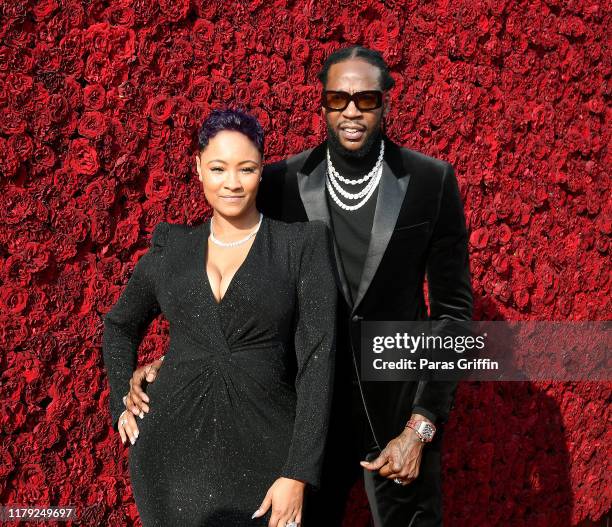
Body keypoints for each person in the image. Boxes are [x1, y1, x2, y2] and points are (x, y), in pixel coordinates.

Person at [125, 46, 473, 526]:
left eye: (366, 98)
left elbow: (454, 316)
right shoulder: (278, 180)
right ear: (323, 103)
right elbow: (231, 266)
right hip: (301, 420)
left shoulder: (432, 181)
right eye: (338, 97)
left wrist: (422, 424)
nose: (352, 109)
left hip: (395, 413)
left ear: (387, 103)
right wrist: (185, 348)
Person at [102, 108, 337, 527]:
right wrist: (122, 395)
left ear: (262, 169)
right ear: (198, 168)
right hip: (167, 461)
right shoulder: (170, 249)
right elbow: (119, 325)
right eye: (218, 167)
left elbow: (319, 362)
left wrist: (299, 471)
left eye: (246, 168)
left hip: (269, 463)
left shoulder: (300, 246)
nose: (232, 182)